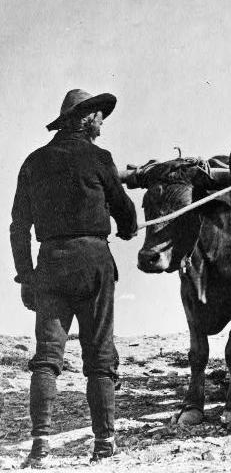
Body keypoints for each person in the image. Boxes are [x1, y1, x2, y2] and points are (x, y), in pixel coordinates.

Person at [10, 89, 138, 467]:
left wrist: (26, 276)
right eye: (99, 115)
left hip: (49, 264)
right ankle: (103, 445)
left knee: (47, 359)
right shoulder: (100, 159)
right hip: (93, 263)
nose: (102, 122)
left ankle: (40, 447)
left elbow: (19, 227)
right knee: (99, 356)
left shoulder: (33, 162)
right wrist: (128, 228)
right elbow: (125, 212)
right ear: (85, 118)